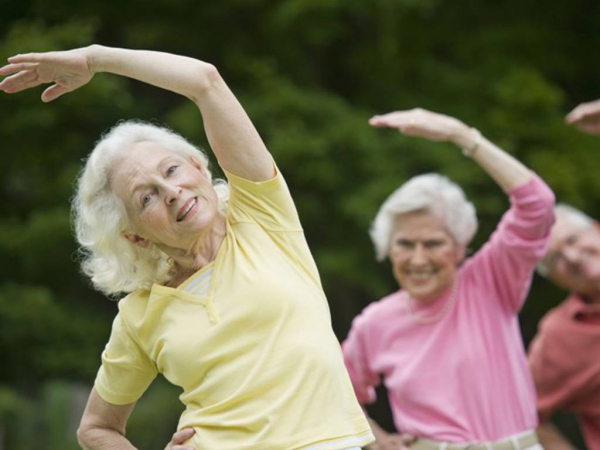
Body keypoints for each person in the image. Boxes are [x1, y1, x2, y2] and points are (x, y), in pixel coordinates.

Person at [0, 45, 374, 450]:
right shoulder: (139, 316)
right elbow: (96, 429)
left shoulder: (262, 217)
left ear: (197, 166)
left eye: (172, 170)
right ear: (135, 236)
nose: (172, 193)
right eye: (147, 198)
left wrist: (96, 60)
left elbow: (205, 82)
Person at [342, 108, 555, 450]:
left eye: (434, 243)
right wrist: (377, 441)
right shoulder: (375, 322)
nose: (418, 259)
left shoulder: (489, 280)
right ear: (388, 249)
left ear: (458, 248)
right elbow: (332, 389)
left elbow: (537, 206)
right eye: (405, 244)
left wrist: (462, 135)